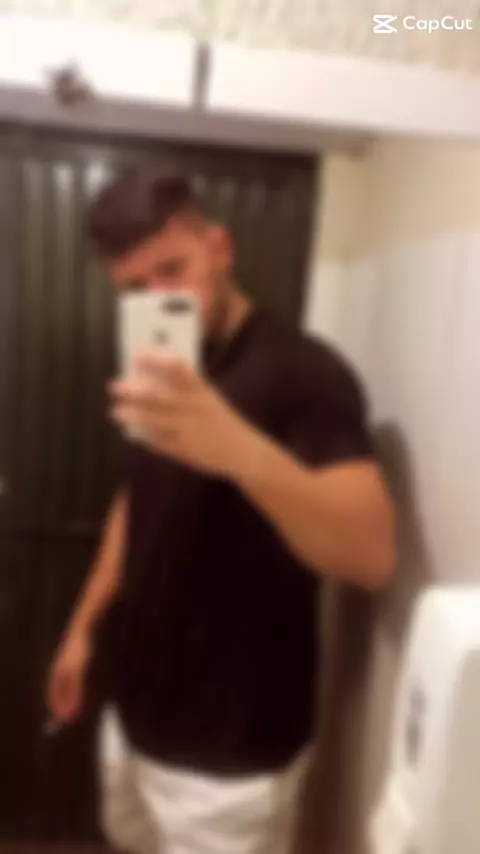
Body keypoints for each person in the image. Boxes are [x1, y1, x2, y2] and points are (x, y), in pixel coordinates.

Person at [47, 167, 396, 854]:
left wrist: (239, 450)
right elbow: (138, 499)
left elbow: (372, 558)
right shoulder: (162, 371)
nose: (160, 299)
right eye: (135, 288)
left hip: (230, 760)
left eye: (173, 270)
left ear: (220, 248)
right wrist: (82, 627)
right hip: (136, 715)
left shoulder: (307, 374)